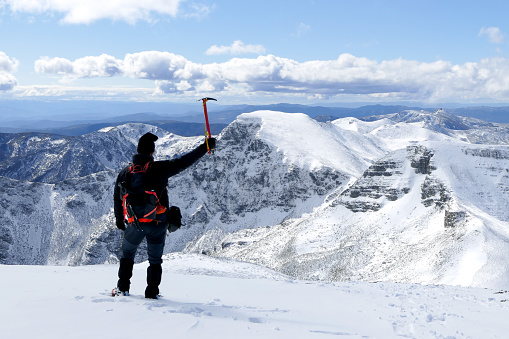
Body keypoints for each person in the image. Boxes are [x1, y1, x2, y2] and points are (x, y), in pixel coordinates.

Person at [113, 132, 215, 299]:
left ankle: (122, 288)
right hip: (158, 223)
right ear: (152, 153)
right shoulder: (158, 169)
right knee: (155, 259)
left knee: (127, 254)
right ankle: (152, 292)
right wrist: (205, 147)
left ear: (137, 150)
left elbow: (117, 197)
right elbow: (183, 162)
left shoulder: (125, 173)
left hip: (134, 223)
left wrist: (119, 219)